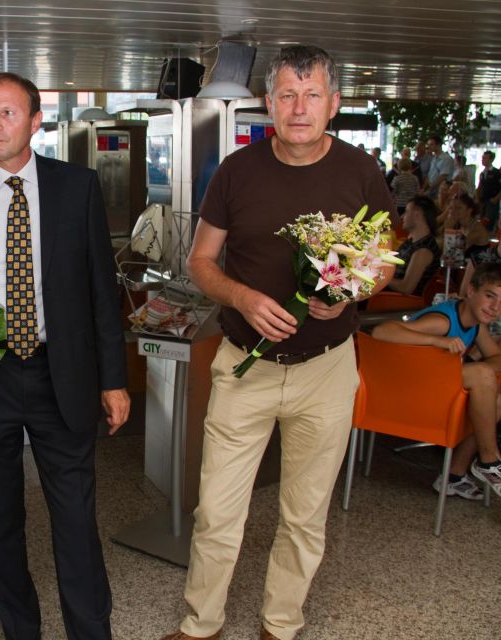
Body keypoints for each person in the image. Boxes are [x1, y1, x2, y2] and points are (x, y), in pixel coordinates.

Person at [162, 46, 396, 640]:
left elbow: (383, 260)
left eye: (311, 95)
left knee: (304, 515)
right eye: (287, 95)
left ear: (334, 104)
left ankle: (281, 626)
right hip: (246, 367)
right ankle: (201, 625)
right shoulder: (237, 172)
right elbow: (201, 261)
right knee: (217, 511)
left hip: (326, 369)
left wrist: (352, 292)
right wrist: (242, 298)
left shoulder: (361, 171)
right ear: (269, 103)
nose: (298, 108)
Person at [0, 72, 130, 640]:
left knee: (74, 517)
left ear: (35, 121)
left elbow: (99, 290)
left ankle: (90, 630)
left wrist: (112, 380)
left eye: (7, 113)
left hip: (58, 373)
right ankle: (20, 629)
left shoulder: (77, 188)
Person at [372, 262, 501, 499]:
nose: (495, 307)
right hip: (405, 395)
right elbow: (382, 332)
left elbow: (496, 357)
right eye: (490, 296)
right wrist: (436, 341)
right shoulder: (443, 321)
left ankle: (454, 474)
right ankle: (489, 460)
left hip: (433, 389)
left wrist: (478, 371)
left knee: (494, 398)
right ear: (471, 291)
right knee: (484, 378)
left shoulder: (476, 325)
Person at [388, 195, 440, 296]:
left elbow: (406, 288)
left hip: (399, 304)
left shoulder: (424, 250)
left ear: (417, 215)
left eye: (406, 211)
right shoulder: (412, 242)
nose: (402, 216)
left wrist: (379, 278)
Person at [476, 150, 501, 232]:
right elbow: (480, 186)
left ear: (491, 159)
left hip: (492, 200)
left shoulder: (497, 173)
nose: (483, 160)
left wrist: (496, 198)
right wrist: (477, 197)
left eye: (485, 158)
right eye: (482, 158)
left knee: (489, 221)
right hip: (483, 200)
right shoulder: (482, 173)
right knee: (482, 220)